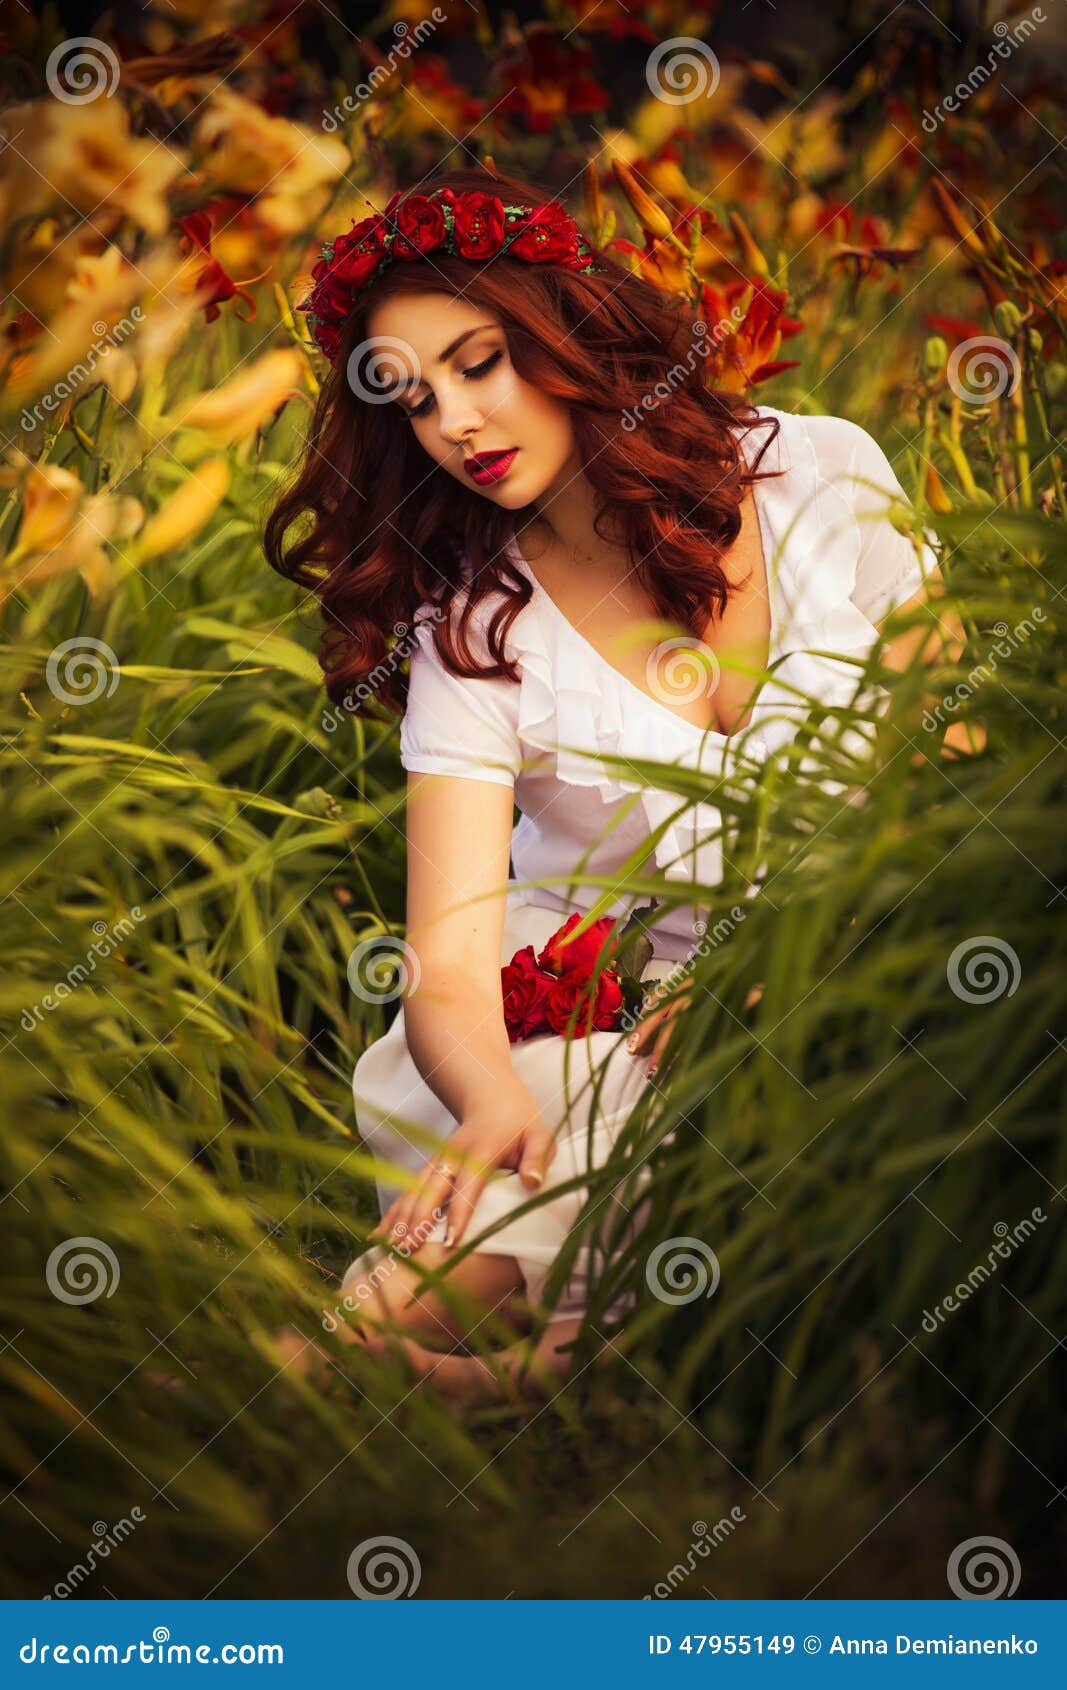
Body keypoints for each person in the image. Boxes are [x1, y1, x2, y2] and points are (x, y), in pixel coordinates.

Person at [264, 165, 965, 1405]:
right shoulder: (475, 628)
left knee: (768, 1075)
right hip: (613, 983)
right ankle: (325, 1358)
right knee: (565, 1088)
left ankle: (519, 1372)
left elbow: (953, 746)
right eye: (417, 402)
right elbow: (447, 956)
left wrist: (787, 954)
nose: (456, 425)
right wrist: (477, 1087)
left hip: (867, 941)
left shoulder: (817, 472)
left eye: (480, 364)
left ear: (565, 331)